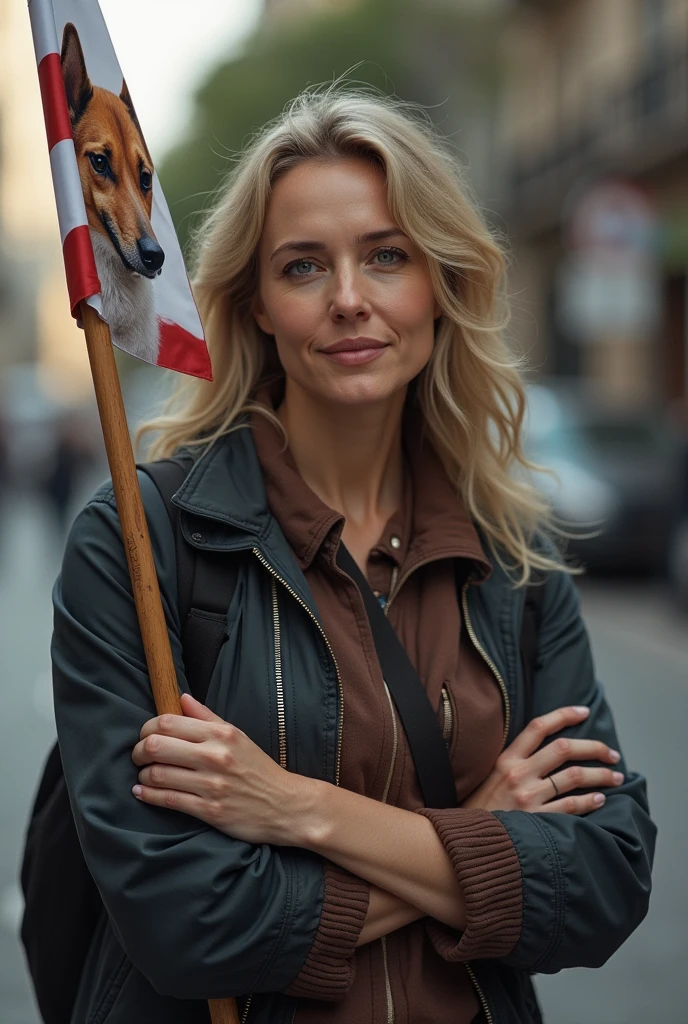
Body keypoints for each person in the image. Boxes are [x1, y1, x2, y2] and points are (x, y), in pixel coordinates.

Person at [51, 87, 656, 1024]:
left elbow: (607, 879)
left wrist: (296, 809)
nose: (348, 299)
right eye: (302, 266)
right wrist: (485, 837)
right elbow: (185, 922)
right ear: (255, 304)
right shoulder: (141, 541)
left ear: (439, 283)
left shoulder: (512, 558)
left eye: (386, 255)